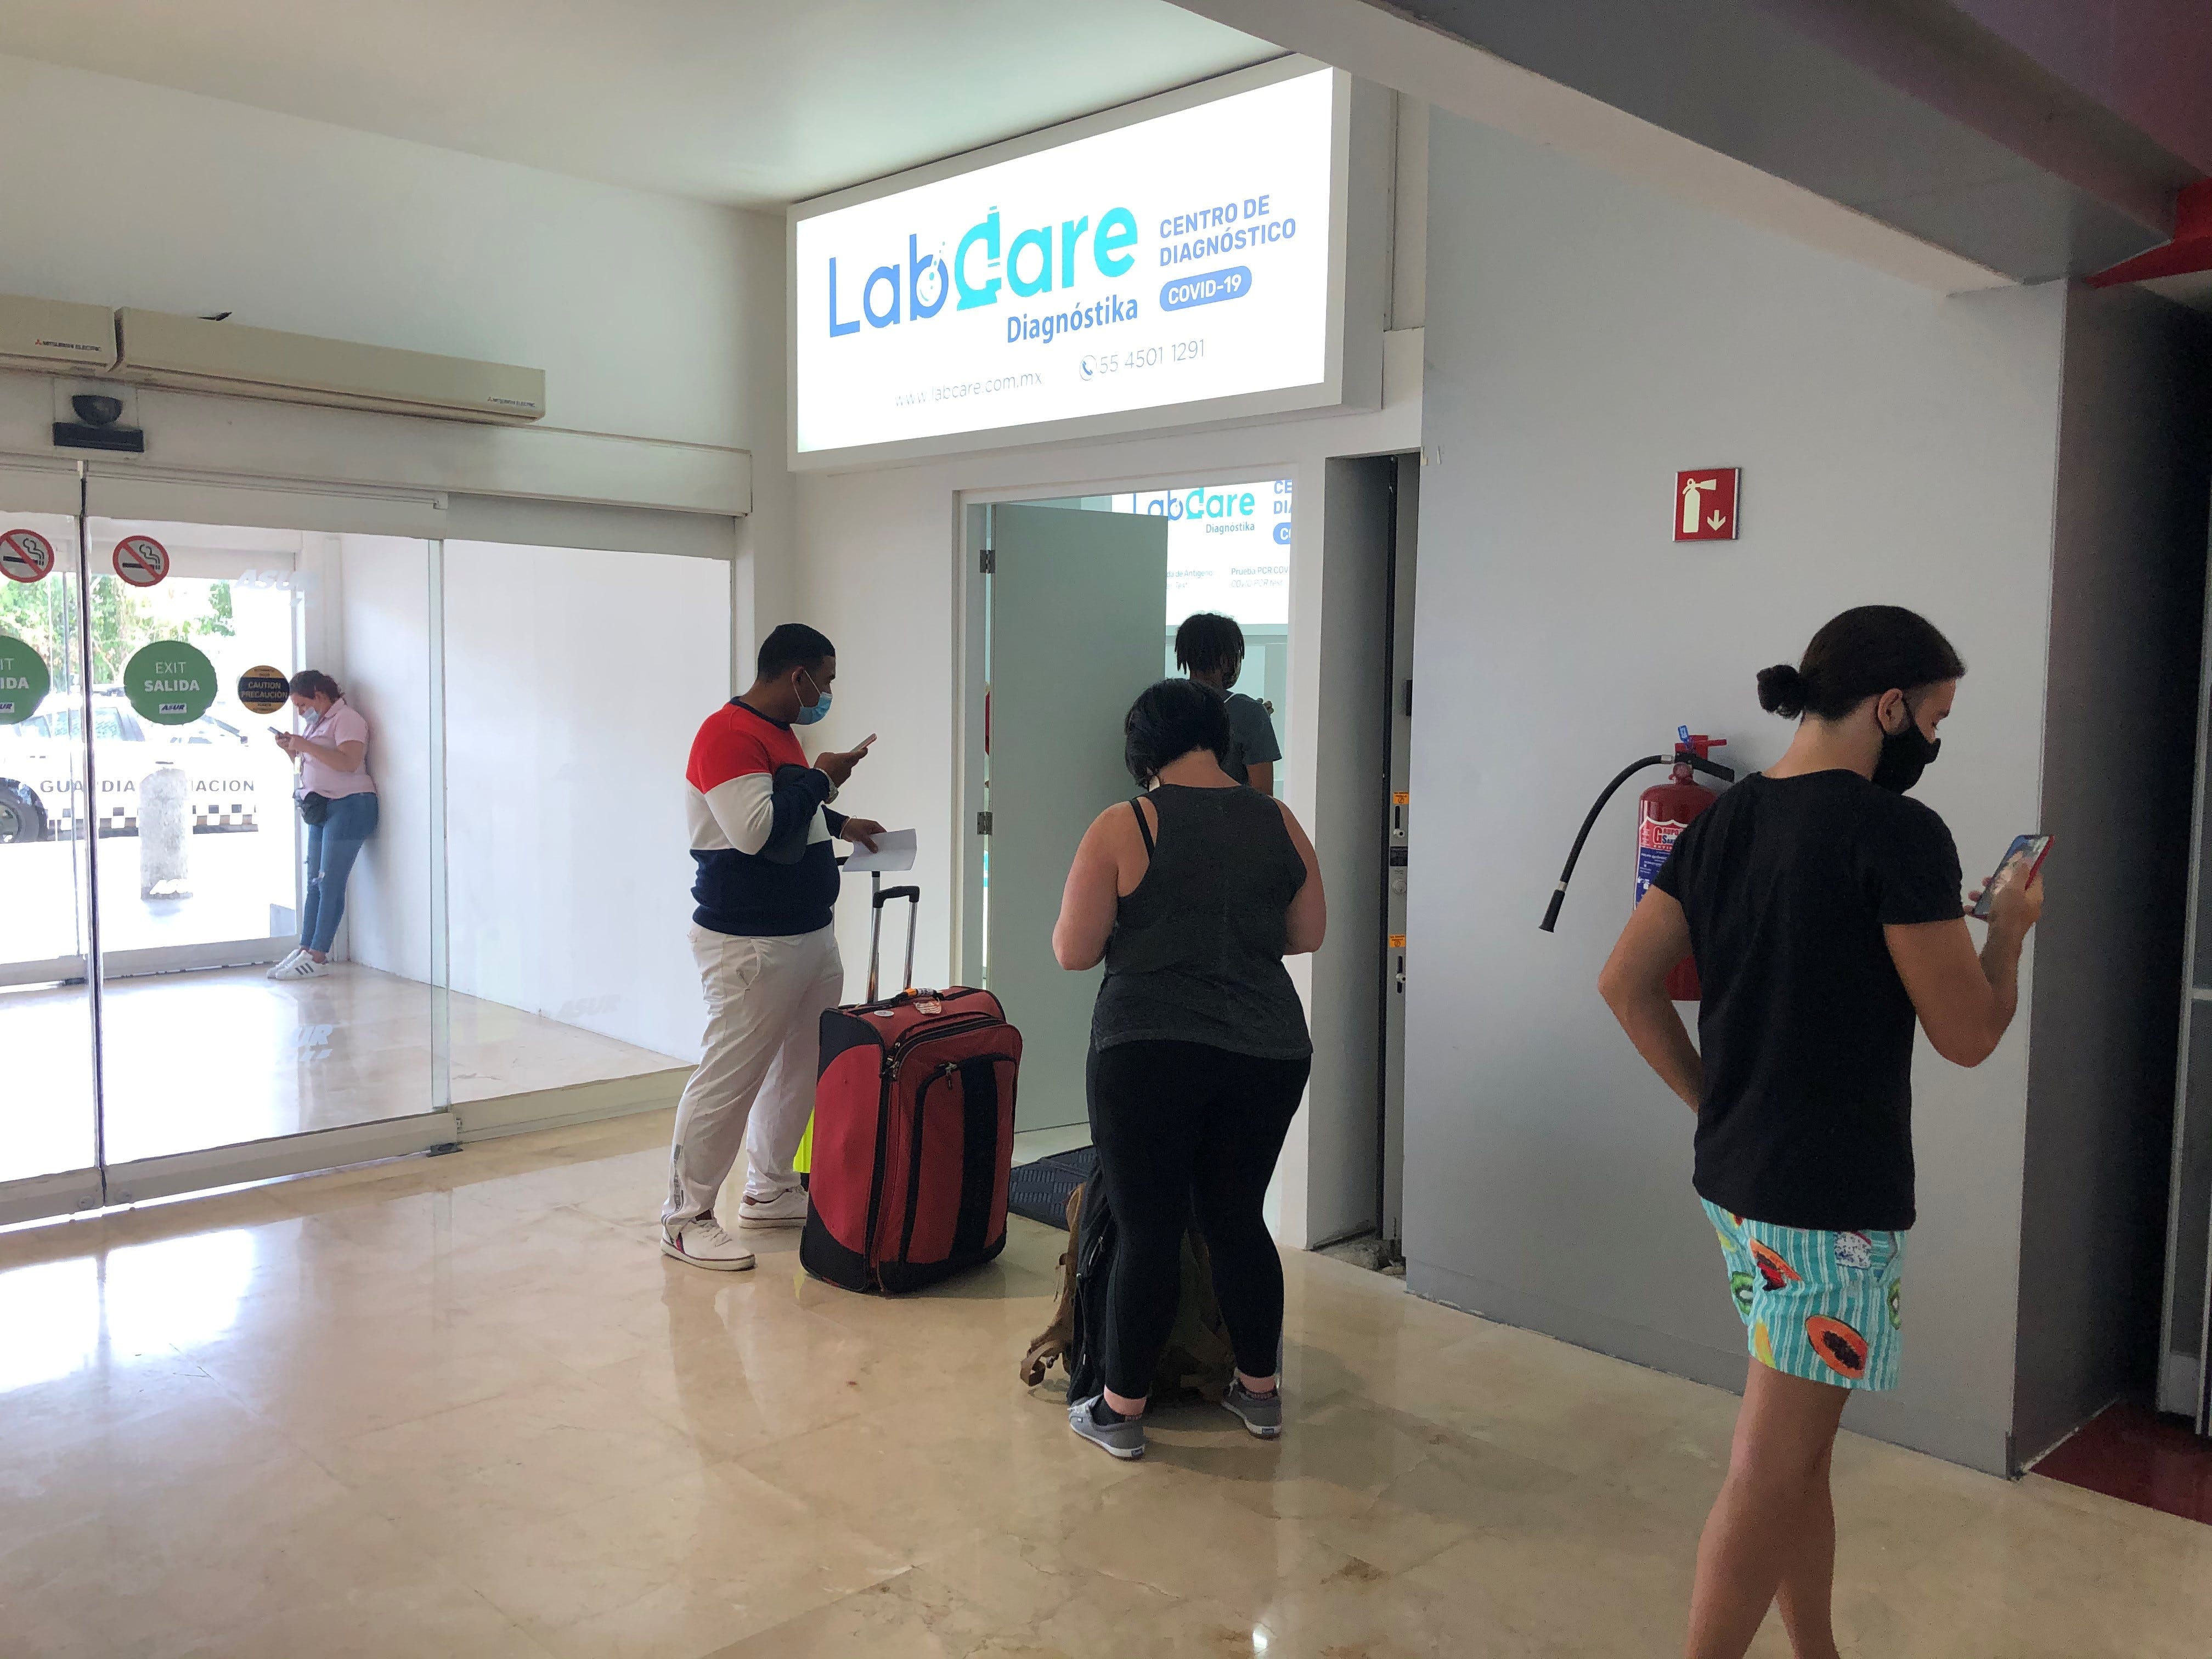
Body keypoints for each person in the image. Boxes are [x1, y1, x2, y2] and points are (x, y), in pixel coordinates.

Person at [1597, 606, 2045, 1659]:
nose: (1933, 740)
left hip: (1740, 1180)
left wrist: (1715, 1100)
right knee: (1769, 1465)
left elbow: (1624, 981)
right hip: (1829, 1201)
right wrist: (2010, 934)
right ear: (1888, 707)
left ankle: (1817, 1650)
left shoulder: (1725, 819)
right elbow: (1969, 1032)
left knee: (1798, 1457)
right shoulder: (1896, 832)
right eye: (1934, 717)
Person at [1052, 677, 1325, 1459]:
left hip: (1148, 1051)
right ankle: (1259, 1394)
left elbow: (1073, 951)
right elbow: (1307, 933)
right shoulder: (1277, 819)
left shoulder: (1126, 822)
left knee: (1148, 1227)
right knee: (1237, 1218)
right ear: (1221, 737)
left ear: (1141, 747)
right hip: (1267, 1050)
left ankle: (1120, 1410)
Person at [661, 623, 884, 1272]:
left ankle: (771, 1188)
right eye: (826, 681)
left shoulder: (780, 734)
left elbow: (783, 807)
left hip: (807, 933)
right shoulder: (727, 735)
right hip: (750, 943)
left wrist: (840, 821)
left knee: (797, 1066)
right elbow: (755, 830)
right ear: (797, 676)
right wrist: (822, 779)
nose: (827, 694)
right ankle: (685, 1218)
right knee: (730, 1077)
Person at [267, 669, 376, 981]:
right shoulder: (316, 725)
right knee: (314, 880)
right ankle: (306, 947)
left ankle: (318, 955)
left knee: (330, 881)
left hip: (350, 804)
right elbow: (310, 765)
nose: (301, 712)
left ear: (319, 695)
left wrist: (305, 744)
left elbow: (348, 762)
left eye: (303, 705)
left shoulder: (348, 719)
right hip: (321, 806)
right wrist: (292, 751)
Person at [1175, 612, 1281, 795]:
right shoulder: (1250, 713)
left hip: (1170, 812)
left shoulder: (1163, 705)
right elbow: (1263, 796)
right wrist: (1256, 717)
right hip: (1233, 814)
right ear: (1225, 660)